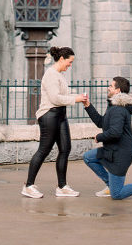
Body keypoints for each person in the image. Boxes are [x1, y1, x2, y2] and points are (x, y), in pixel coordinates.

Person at [21, 46, 87, 199]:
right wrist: (76, 99)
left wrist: (79, 96)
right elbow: (55, 98)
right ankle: (28, 186)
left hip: (60, 115)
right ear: (62, 59)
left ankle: (62, 186)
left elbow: (64, 95)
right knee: (44, 150)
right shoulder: (50, 74)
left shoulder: (59, 75)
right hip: (49, 115)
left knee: (65, 148)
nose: (70, 65)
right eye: (69, 62)